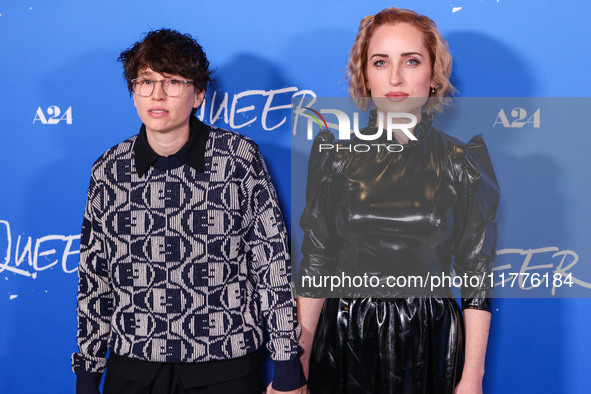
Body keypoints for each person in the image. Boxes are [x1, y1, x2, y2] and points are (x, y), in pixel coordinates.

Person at [72, 29, 305, 394]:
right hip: (133, 368)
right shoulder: (108, 170)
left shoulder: (238, 159)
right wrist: (87, 374)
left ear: (198, 94)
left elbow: (270, 263)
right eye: (145, 81)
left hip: (226, 367)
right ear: (134, 92)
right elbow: (95, 279)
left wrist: (287, 362)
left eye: (173, 82)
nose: (157, 95)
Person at [297, 7, 499, 394]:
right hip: (344, 335)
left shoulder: (463, 163)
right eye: (380, 62)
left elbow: (476, 275)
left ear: (434, 74)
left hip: (429, 340)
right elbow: (317, 261)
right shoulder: (334, 158)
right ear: (364, 76)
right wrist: (297, 361)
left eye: (411, 61)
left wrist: (472, 377)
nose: (395, 78)